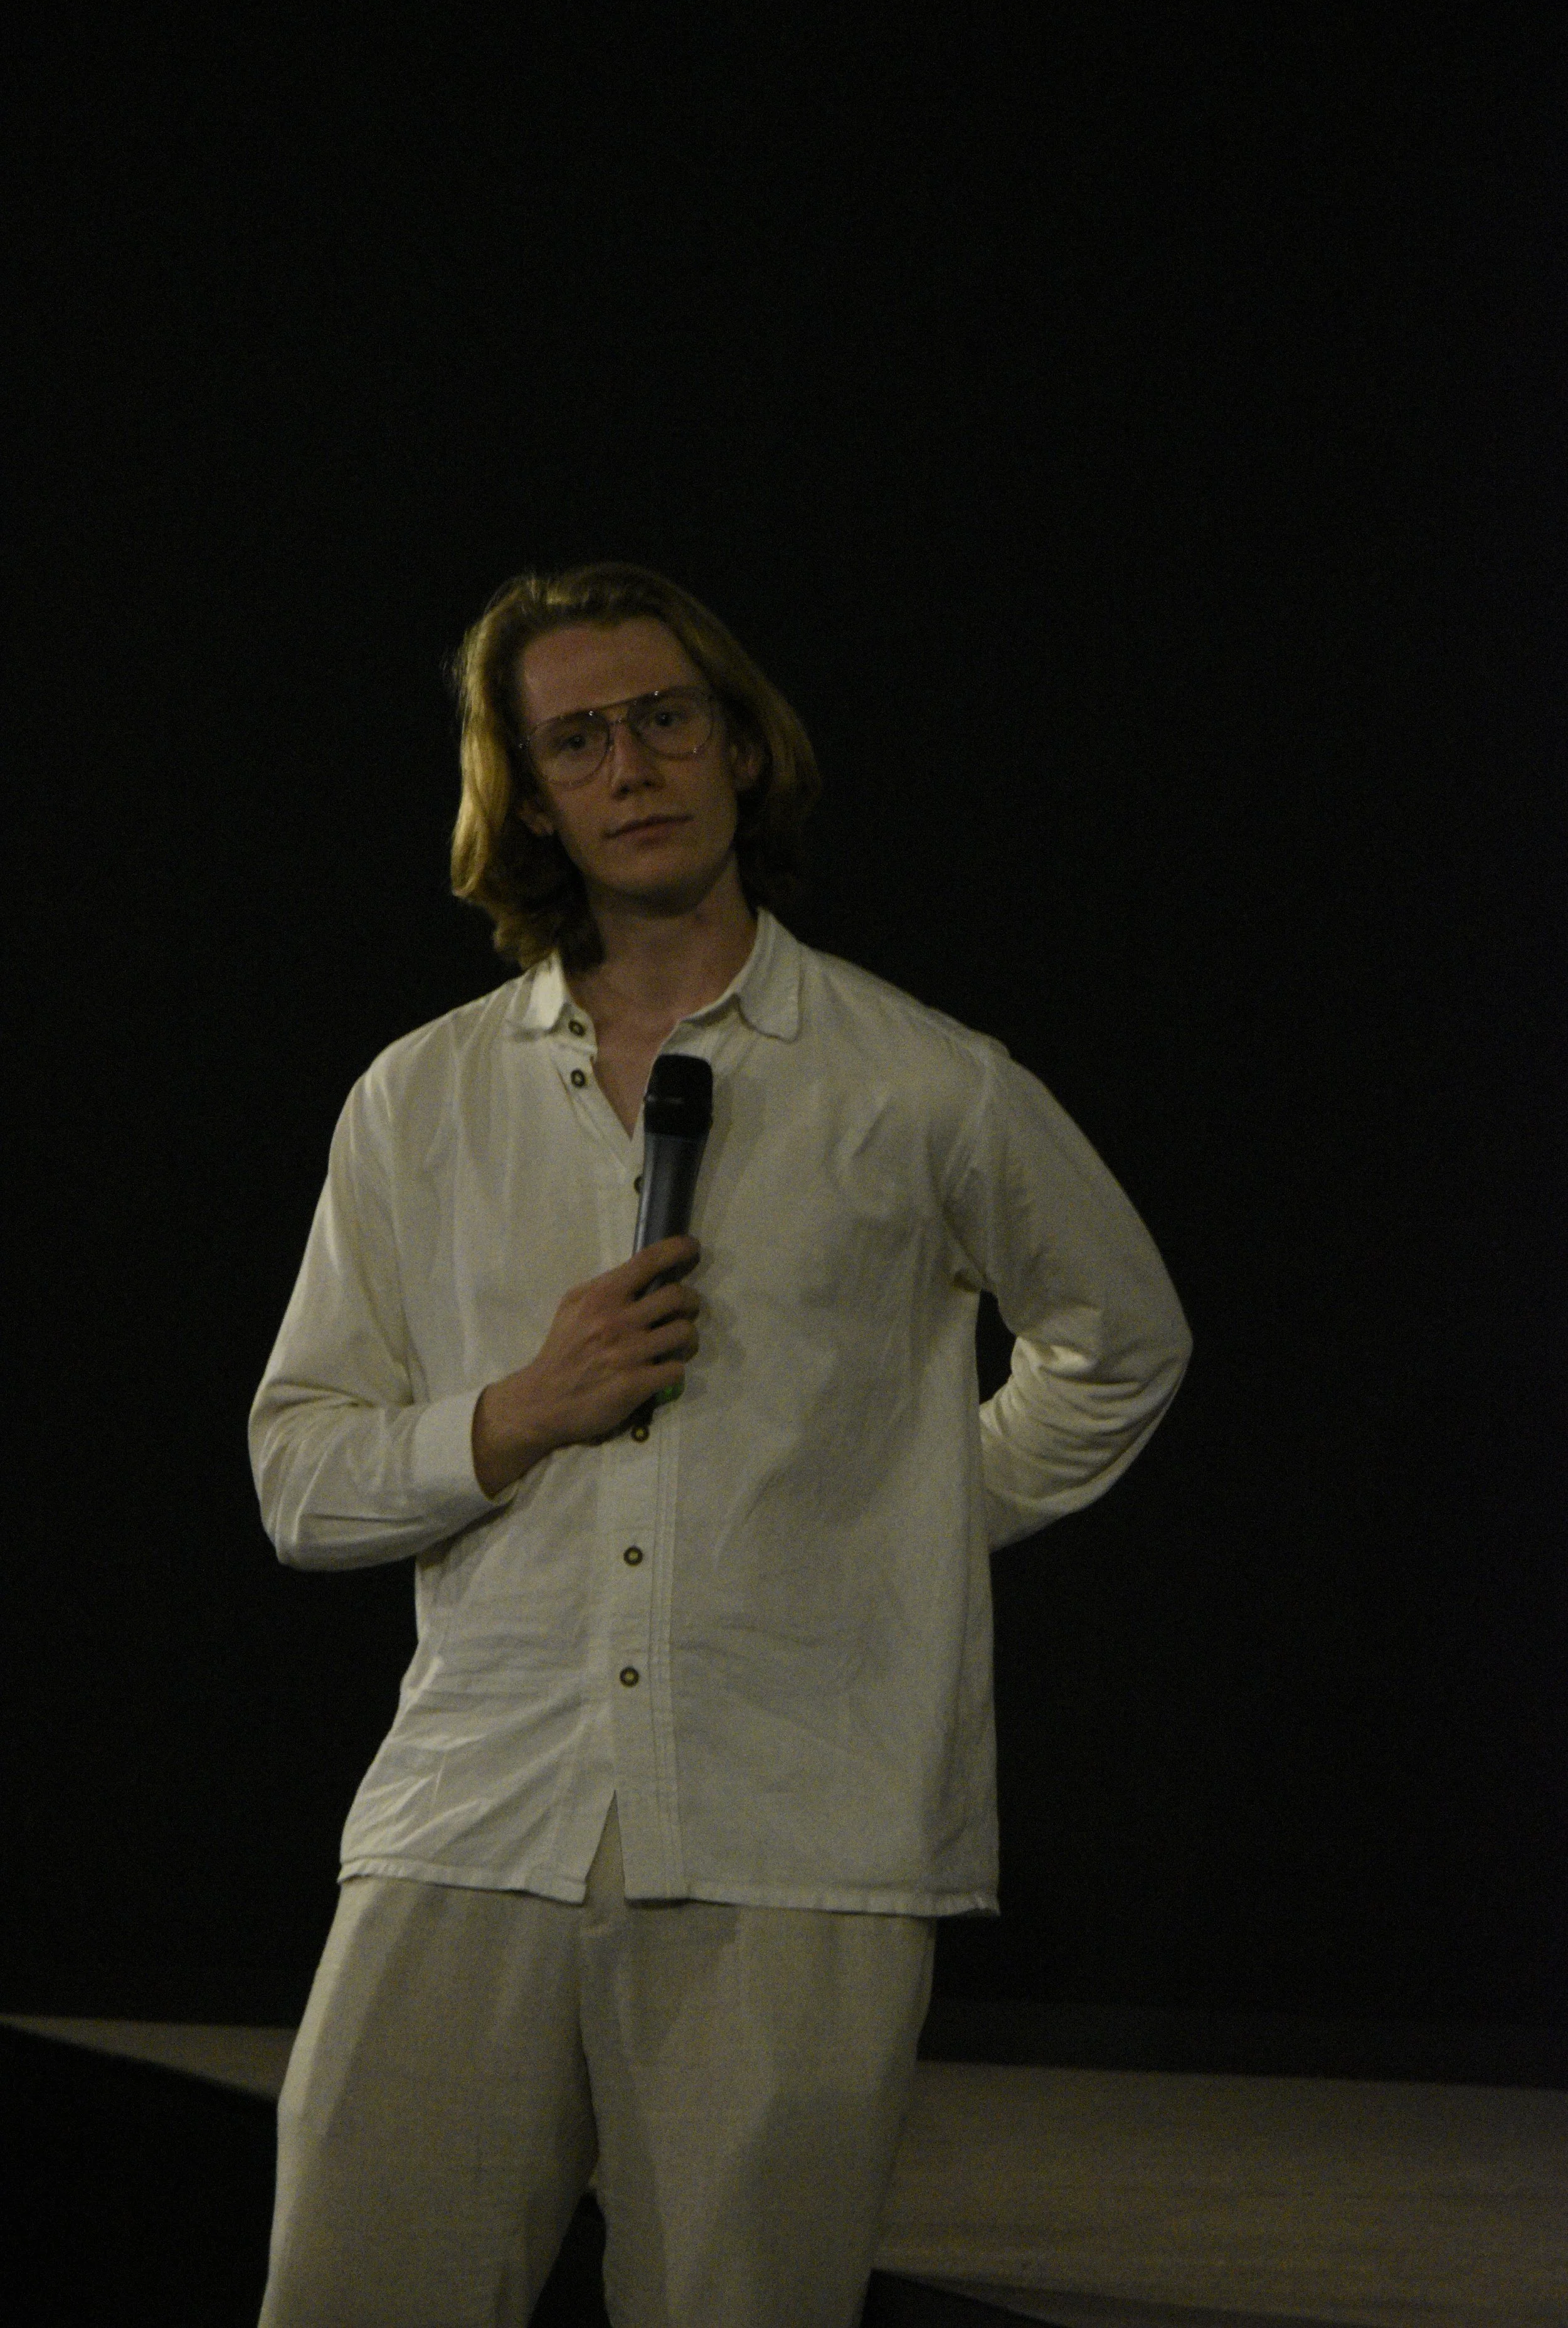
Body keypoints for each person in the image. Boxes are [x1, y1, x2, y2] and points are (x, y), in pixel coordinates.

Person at [249, 560, 1192, 2328]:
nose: (632, 764)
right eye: (579, 737)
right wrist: (519, 1411)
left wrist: (904, 1515)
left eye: (666, 717)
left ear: (739, 748)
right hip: (476, 1811)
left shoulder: (922, 1083)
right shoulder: (423, 1094)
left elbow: (1119, 1342)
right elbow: (296, 1473)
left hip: (795, 1831)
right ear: (527, 790)